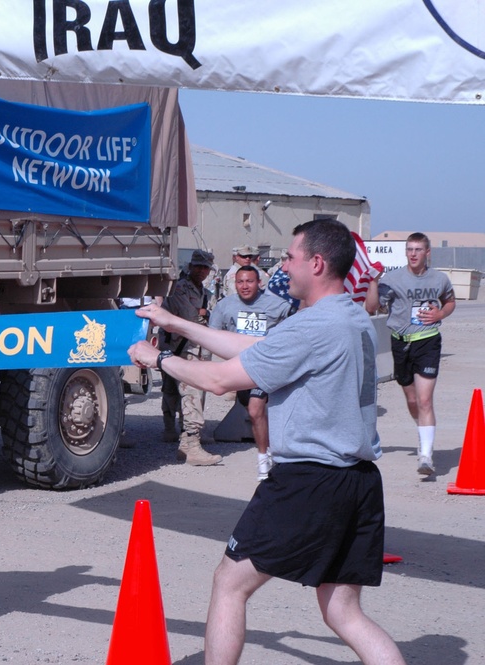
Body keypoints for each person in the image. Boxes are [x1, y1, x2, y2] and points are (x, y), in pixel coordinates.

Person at [128, 219, 404, 665]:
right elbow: (253, 345)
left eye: (291, 258)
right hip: (359, 481)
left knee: (229, 583)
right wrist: (174, 321)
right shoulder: (351, 316)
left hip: (309, 480)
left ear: (316, 263)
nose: (284, 268)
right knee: (343, 611)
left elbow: (218, 380)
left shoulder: (310, 326)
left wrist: (156, 357)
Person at [365, 232, 456, 475]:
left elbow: (449, 301)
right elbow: (372, 307)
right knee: (413, 400)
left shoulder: (439, 279)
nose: (413, 254)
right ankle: (423, 432)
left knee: (425, 399)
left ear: (428, 253)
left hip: (427, 341)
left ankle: (425, 455)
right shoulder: (394, 279)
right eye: (409, 249)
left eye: (418, 250)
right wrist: (373, 282)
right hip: (400, 343)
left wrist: (440, 315)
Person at [208, 265, 291, 480]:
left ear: (259, 283)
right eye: (240, 282)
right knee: (256, 412)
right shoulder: (224, 306)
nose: (245, 286)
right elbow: (212, 336)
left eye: (250, 281)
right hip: (241, 368)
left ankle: (264, 460)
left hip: (267, 367)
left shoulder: (278, 305)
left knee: (256, 410)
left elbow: (292, 335)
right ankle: (273, 451)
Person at [158, 249, 222, 466]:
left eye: (206, 268)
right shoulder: (181, 287)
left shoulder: (201, 290)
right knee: (185, 392)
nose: (202, 271)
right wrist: (203, 316)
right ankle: (184, 439)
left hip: (189, 347)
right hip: (180, 346)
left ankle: (185, 440)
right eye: (199, 267)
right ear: (191, 266)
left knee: (186, 391)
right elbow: (189, 319)